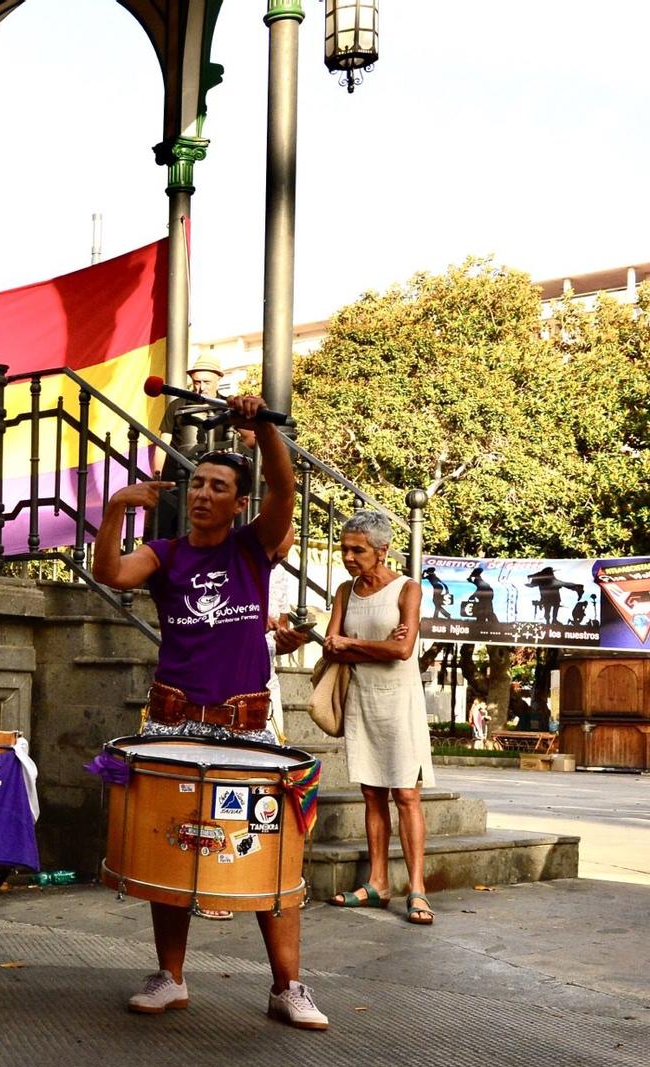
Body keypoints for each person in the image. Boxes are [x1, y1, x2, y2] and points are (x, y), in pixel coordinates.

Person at [90, 395, 329, 1032]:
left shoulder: (255, 547)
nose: (201, 494)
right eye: (196, 482)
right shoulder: (167, 554)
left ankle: (288, 986)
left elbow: (283, 486)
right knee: (172, 847)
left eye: (217, 486)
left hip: (246, 724)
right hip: (173, 720)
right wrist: (116, 510)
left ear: (238, 503)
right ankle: (170, 976)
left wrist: (262, 431)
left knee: (272, 851)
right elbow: (110, 570)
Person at [322, 511, 437, 925]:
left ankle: (417, 888)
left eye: (358, 550)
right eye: (345, 548)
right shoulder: (344, 592)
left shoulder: (408, 589)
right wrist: (373, 646)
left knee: (406, 794)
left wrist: (352, 643)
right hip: (362, 698)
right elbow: (329, 650)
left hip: (400, 701)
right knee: (372, 793)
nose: (349, 556)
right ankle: (378, 883)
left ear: (382, 550)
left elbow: (402, 653)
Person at [151, 350, 230, 540]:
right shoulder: (177, 405)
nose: (201, 387)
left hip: (212, 481)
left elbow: (246, 440)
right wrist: (157, 478)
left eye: (206, 382)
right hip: (176, 479)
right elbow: (163, 443)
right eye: (197, 382)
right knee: (168, 533)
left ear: (218, 379)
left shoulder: (227, 406)